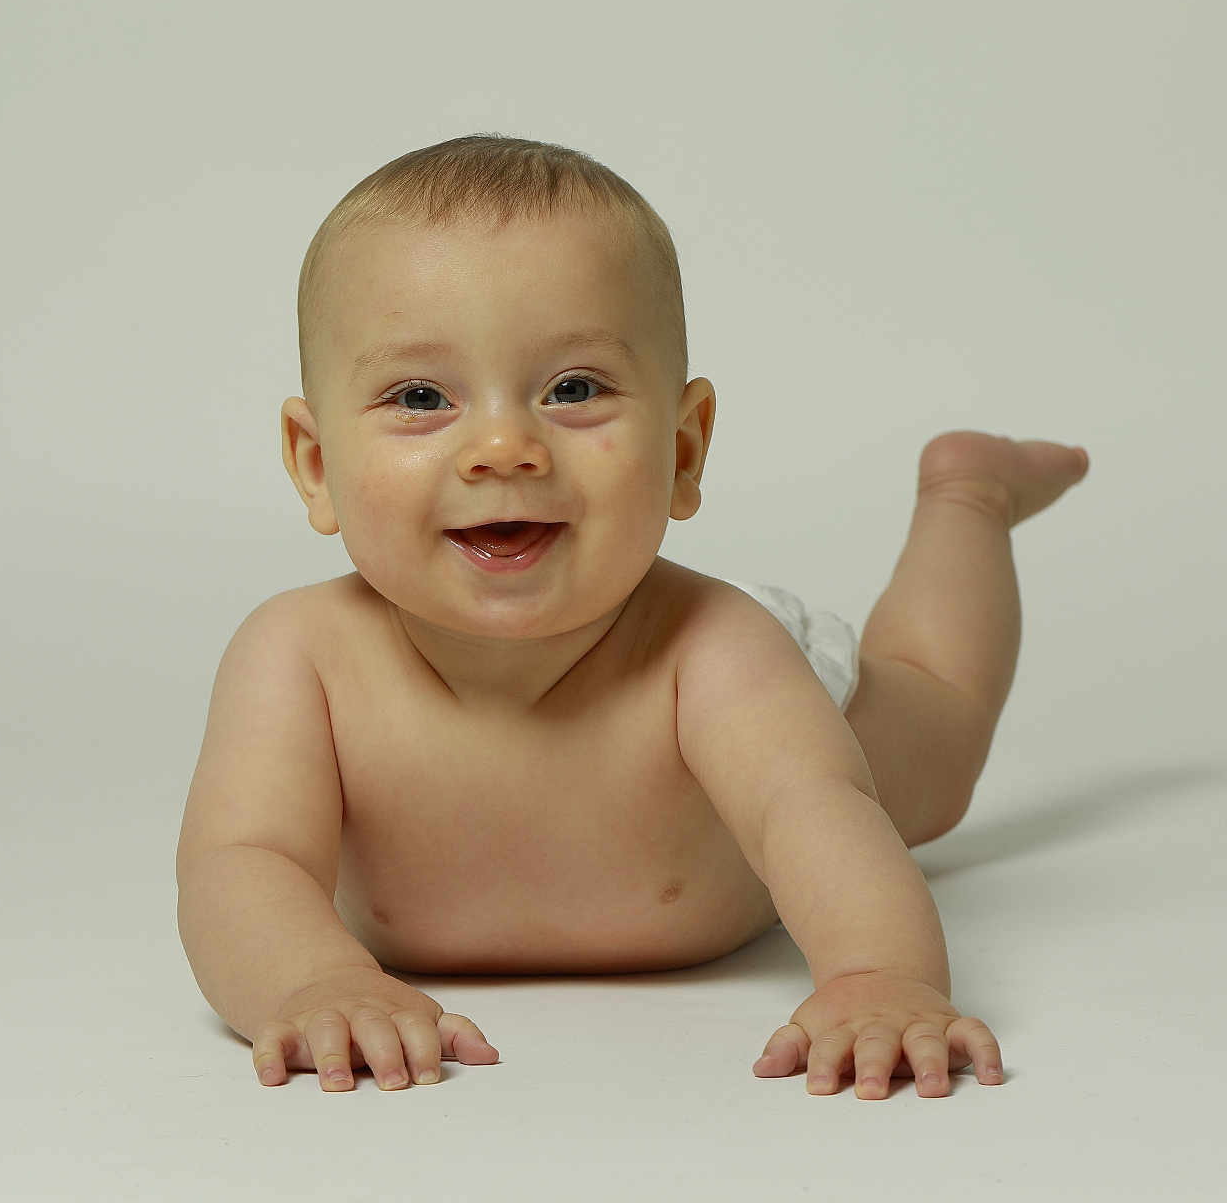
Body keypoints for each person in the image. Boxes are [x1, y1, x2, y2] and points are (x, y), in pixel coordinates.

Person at [176, 134, 1090, 1100]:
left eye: (573, 389)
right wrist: (315, 981)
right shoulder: (299, 657)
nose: (503, 447)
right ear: (316, 464)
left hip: (778, 701)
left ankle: (967, 496)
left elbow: (810, 809)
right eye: (420, 397)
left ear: (683, 450)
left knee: (937, 741)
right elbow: (244, 860)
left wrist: (880, 977)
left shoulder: (712, 650)